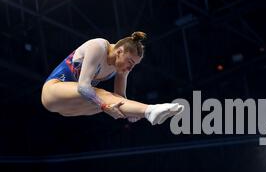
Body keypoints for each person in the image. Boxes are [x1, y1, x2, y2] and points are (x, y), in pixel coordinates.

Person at [41, 31, 183, 125]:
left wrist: (131, 113)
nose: (130, 68)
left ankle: (147, 113)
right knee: (100, 95)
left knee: (113, 102)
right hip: (53, 91)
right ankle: (150, 110)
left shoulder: (121, 68)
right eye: (130, 63)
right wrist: (104, 106)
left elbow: (120, 98)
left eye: (134, 66)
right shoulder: (99, 46)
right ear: (119, 51)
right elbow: (83, 87)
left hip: (68, 109)